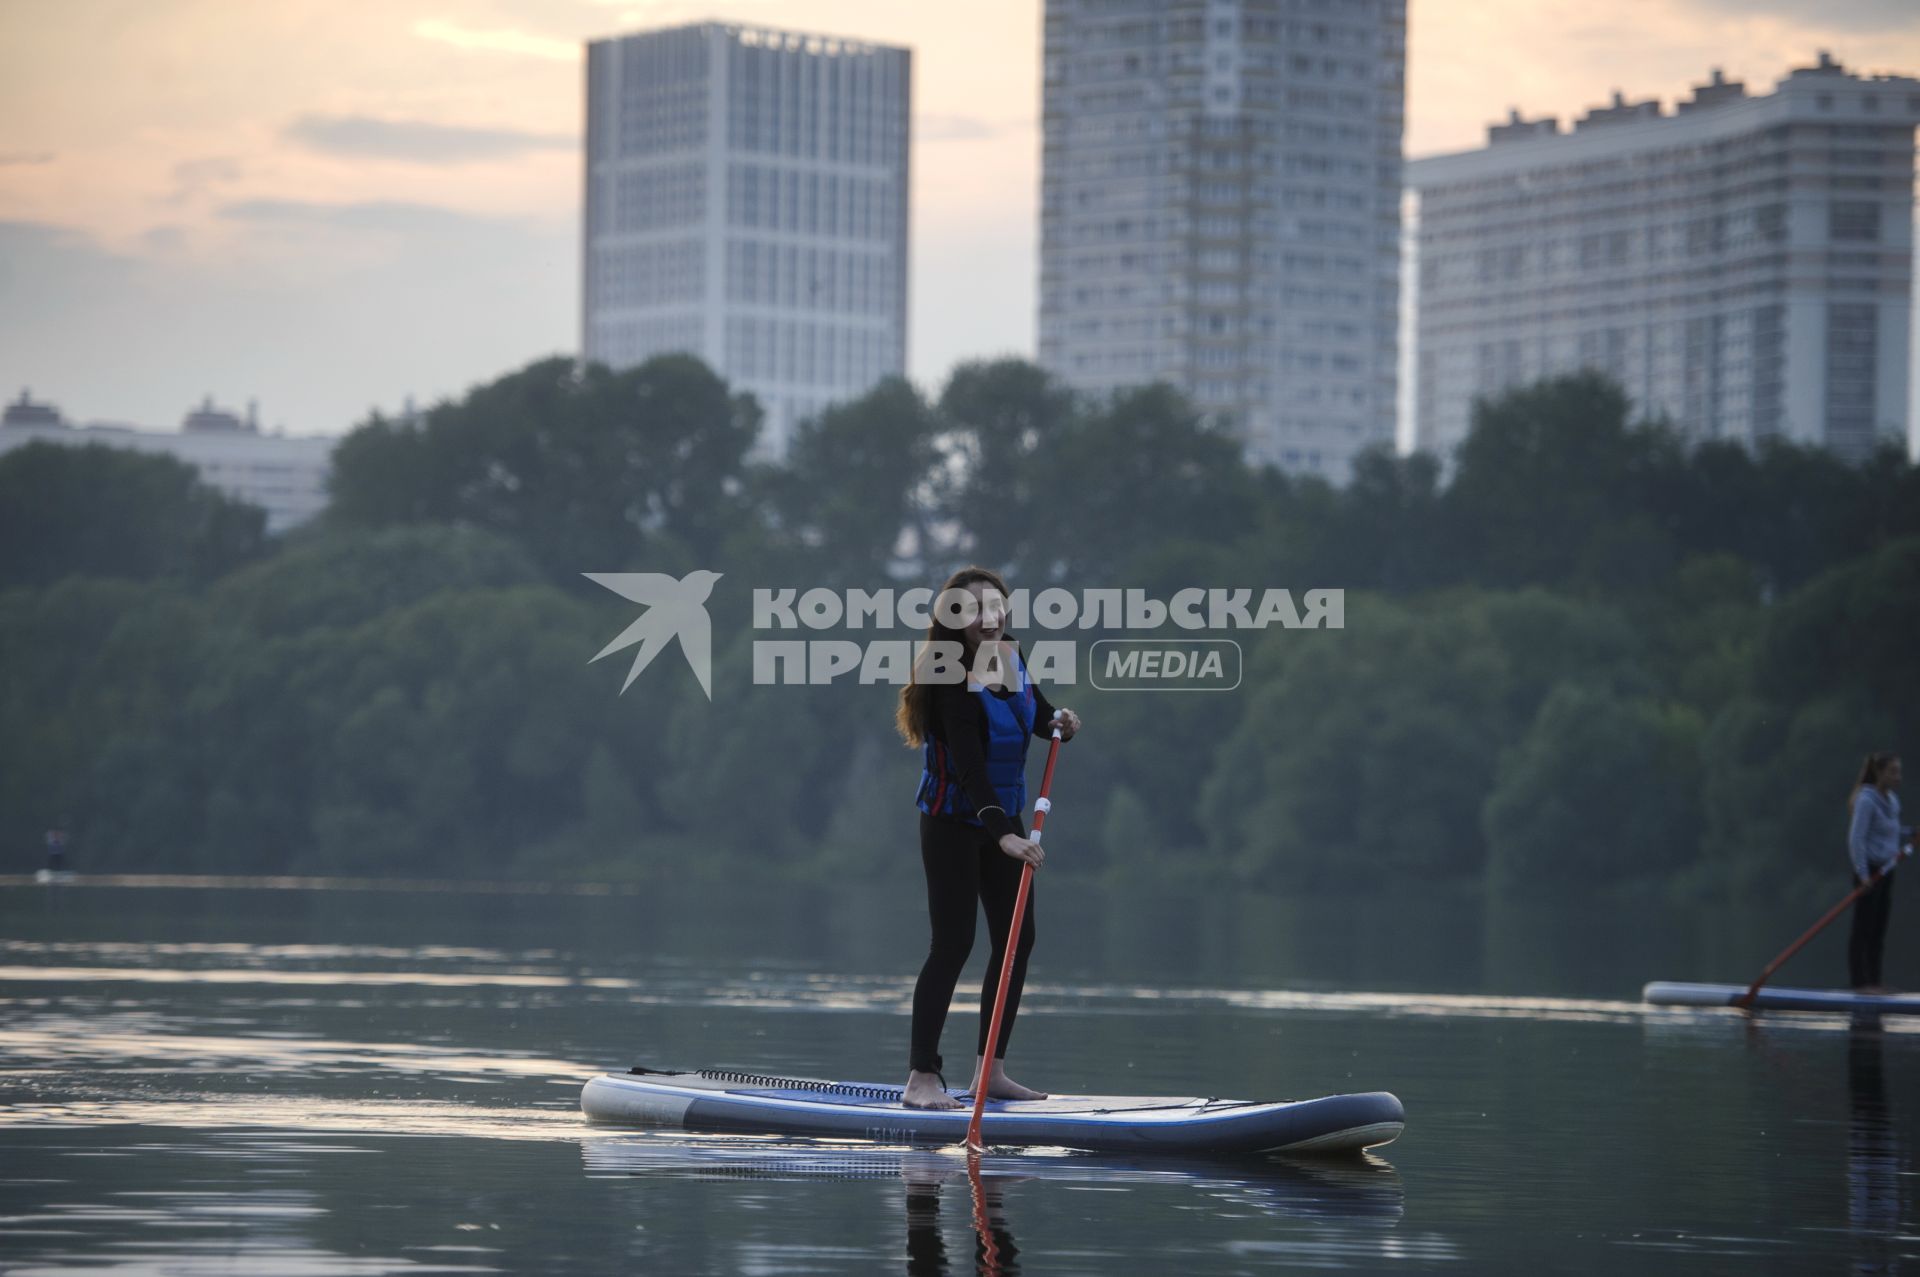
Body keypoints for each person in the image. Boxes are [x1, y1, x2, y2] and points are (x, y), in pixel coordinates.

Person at [894, 566, 1080, 1111]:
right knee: (952, 944)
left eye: (996, 607)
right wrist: (1003, 836)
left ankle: (990, 1073)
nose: (989, 619)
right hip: (953, 823)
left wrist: (1060, 722)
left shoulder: (1011, 656)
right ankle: (920, 1080)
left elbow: (1037, 713)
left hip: (1003, 823)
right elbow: (971, 768)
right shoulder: (948, 676)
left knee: (1017, 940)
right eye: (974, 610)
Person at [1846, 753, 1904, 993]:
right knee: (1863, 929)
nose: (1898, 777)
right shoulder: (1866, 800)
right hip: (1868, 872)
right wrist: (1862, 875)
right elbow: (1856, 838)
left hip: (1886, 870)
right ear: (1879, 773)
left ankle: (1875, 982)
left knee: (1879, 929)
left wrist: (1911, 833)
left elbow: (1891, 832)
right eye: (1893, 772)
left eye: (1899, 771)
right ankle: (1860, 984)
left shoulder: (1892, 801)